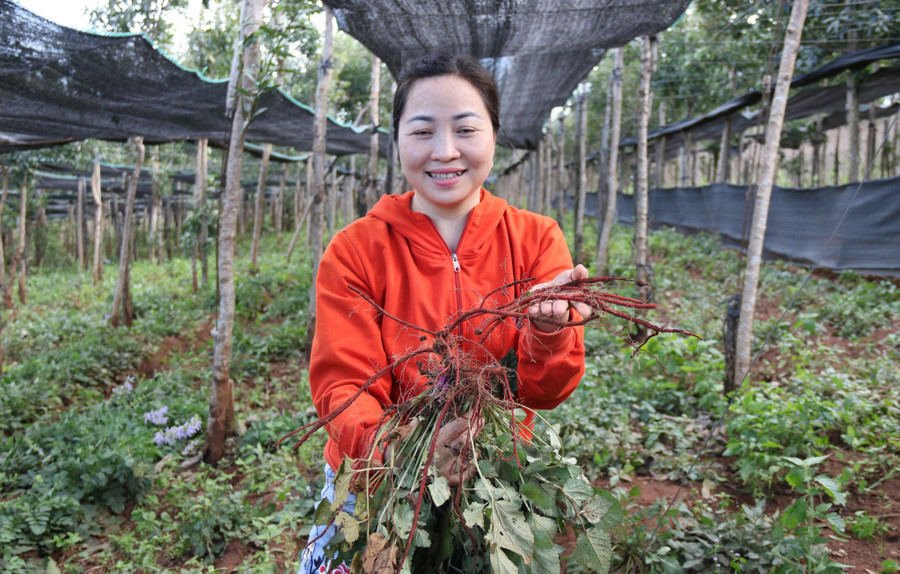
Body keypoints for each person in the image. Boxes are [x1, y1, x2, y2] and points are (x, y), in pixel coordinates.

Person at [299, 51, 587, 574]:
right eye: (423, 131)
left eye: (466, 129)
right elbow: (343, 387)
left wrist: (549, 331)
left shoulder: (536, 239)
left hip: (495, 475)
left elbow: (547, 391)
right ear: (398, 141)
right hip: (375, 477)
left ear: (495, 135)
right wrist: (407, 447)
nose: (445, 151)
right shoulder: (356, 249)